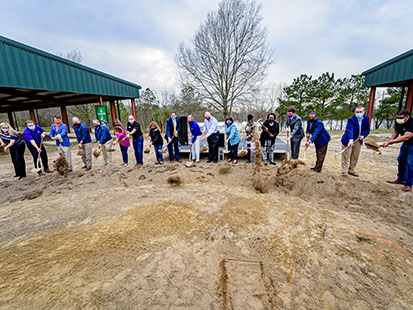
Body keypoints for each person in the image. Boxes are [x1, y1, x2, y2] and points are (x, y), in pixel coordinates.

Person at [382, 110, 413, 192]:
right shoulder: (398, 122)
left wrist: (390, 142)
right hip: (405, 144)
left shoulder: (412, 122)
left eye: (401, 118)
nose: (399, 120)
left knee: (410, 163)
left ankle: (408, 184)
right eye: (397, 118)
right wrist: (390, 140)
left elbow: (406, 136)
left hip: (412, 145)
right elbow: (396, 131)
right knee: (401, 160)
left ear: (407, 117)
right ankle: (401, 179)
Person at [340, 107, 370, 178]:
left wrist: (363, 135)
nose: (358, 113)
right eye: (357, 112)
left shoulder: (366, 118)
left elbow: (367, 129)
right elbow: (350, 129)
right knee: (346, 156)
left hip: (358, 140)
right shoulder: (351, 119)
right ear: (355, 112)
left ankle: (351, 170)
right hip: (348, 140)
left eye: (360, 112)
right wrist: (350, 139)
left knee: (355, 156)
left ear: (364, 112)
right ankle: (344, 171)